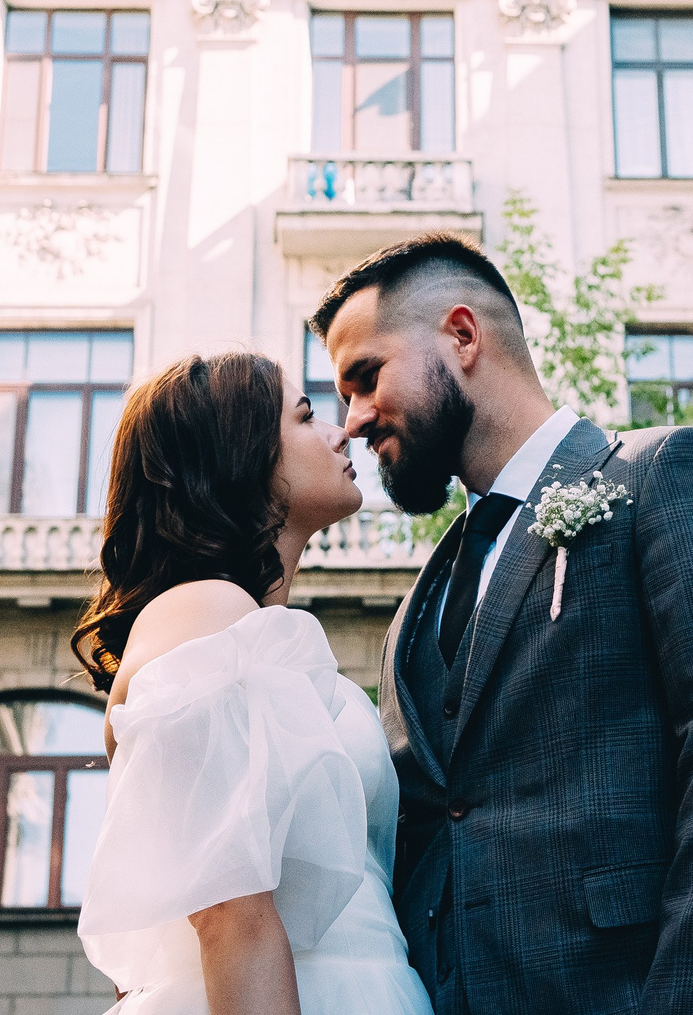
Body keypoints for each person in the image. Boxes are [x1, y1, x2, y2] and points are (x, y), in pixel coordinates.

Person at [310, 233, 693, 1015]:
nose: (353, 419)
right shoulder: (420, 604)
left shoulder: (666, 475)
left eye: (365, 377)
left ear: (463, 334)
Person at [70, 352, 434, 1015]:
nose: (341, 431)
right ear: (239, 458)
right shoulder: (202, 613)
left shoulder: (260, 632)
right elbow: (229, 914)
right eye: (305, 416)